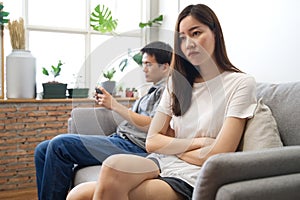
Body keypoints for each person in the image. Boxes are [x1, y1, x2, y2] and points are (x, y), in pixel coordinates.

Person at [66, 4, 257, 200]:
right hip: (163, 162)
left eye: (196, 33)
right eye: (182, 38)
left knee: (88, 195)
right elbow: (152, 141)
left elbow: (217, 154)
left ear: (215, 33)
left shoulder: (240, 84)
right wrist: (199, 143)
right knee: (81, 190)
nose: (189, 43)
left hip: (194, 175)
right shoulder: (177, 83)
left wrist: (175, 147)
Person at [34, 41, 173, 200]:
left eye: (148, 64)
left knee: (60, 145)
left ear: (165, 66)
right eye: (143, 64)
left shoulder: (167, 91)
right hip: (120, 139)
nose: (144, 68)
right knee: (42, 150)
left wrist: (114, 105)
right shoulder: (151, 90)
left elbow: (154, 126)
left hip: (135, 147)